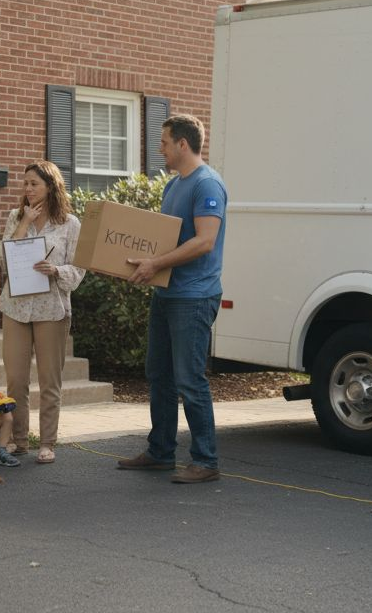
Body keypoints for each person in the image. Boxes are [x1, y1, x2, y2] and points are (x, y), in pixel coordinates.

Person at [118, 114, 228, 484]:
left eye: (164, 142)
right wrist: (132, 262)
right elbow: (163, 238)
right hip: (167, 293)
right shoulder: (172, 186)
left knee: (189, 379)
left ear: (183, 144)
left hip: (194, 297)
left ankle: (205, 460)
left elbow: (204, 241)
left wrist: (155, 264)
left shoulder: (206, 184)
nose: (160, 149)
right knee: (160, 374)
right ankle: (161, 451)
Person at [0, 160, 84, 464]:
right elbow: (2, 259)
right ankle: (19, 441)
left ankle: (47, 442)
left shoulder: (70, 224)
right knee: (16, 379)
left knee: (49, 379)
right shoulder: (14, 217)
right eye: (25, 184)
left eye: (34, 183)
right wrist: (22, 224)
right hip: (16, 308)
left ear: (50, 186)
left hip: (52, 310)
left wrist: (56, 270)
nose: (28, 189)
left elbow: (79, 267)